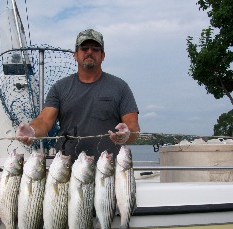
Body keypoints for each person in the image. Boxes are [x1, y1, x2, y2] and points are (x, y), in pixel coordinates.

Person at [16, 28, 140, 161]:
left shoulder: (120, 87)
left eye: (95, 49)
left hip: (108, 169)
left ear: (103, 55)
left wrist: (127, 134)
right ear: (75, 54)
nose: (89, 52)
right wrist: (32, 130)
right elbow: (44, 121)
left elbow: (133, 127)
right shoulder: (59, 88)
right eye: (84, 48)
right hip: (67, 170)